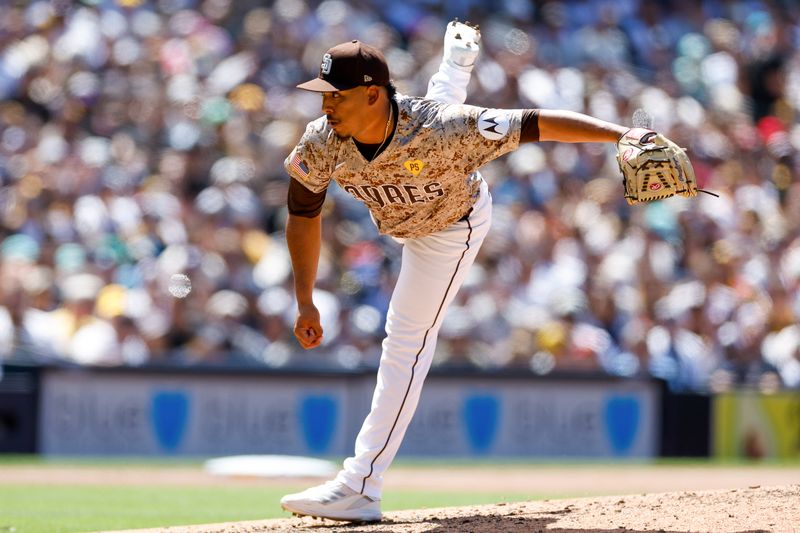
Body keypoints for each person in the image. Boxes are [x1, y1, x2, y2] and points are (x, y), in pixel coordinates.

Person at [280, 20, 655, 522]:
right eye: (323, 94)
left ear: (371, 94)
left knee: (406, 339)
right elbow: (303, 213)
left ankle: (360, 485)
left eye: (337, 95)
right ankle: (455, 65)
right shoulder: (325, 139)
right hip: (411, 201)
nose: (326, 105)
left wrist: (622, 133)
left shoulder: (448, 128)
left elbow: (536, 122)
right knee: (433, 124)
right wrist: (306, 300)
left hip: (451, 224)